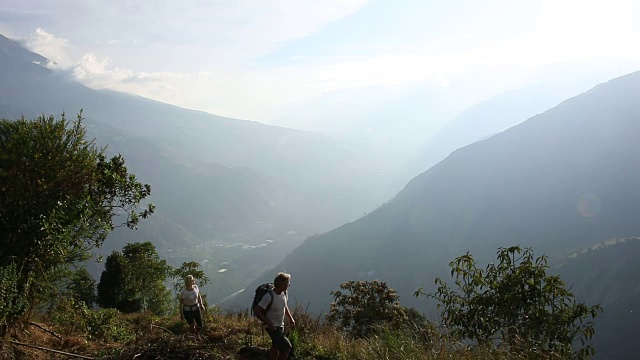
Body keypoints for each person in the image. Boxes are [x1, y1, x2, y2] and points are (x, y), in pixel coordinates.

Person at [254, 272, 296, 360]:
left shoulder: (284, 293)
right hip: (272, 327)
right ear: (281, 284)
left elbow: (284, 306)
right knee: (286, 347)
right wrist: (269, 323)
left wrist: (291, 318)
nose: (288, 285)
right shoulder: (269, 296)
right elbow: (257, 311)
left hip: (280, 325)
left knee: (275, 347)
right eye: (287, 283)